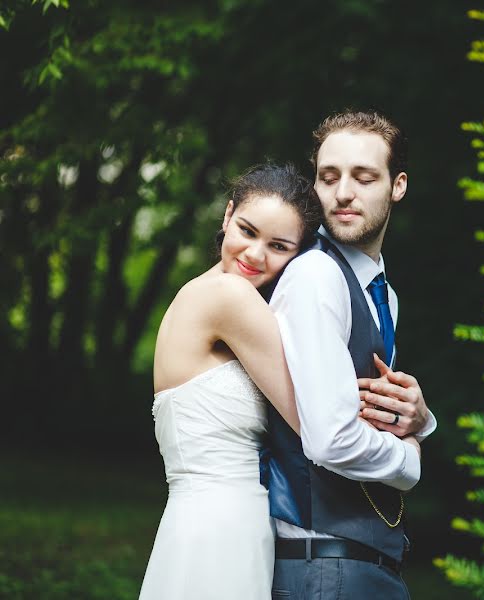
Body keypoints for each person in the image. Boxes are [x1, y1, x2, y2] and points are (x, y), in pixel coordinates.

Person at [264, 110, 437, 598]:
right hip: (323, 563)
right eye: (328, 177)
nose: (342, 193)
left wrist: (420, 419)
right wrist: (411, 459)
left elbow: (372, 407)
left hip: (363, 564)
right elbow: (331, 440)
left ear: (397, 185)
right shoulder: (317, 275)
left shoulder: (381, 292)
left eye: (364, 178)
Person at [139, 163, 323, 600]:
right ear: (226, 217)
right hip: (223, 526)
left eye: (278, 246)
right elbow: (317, 419)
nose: (256, 254)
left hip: (195, 521)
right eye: (247, 230)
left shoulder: (195, 292)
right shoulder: (229, 296)